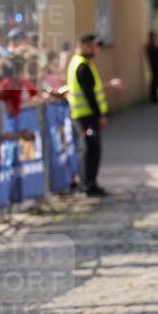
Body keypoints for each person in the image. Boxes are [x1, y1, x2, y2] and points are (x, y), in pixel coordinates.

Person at [66, 32, 110, 197]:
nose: (96, 49)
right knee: (90, 149)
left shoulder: (82, 63)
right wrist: (100, 115)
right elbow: (89, 94)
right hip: (86, 116)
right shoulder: (82, 65)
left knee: (91, 149)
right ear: (82, 45)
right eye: (93, 45)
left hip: (86, 115)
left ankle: (90, 183)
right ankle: (87, 184)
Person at [145, 31, 158, 104]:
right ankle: (153, 97)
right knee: (155, 82)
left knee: (156, 81)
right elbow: (153, 55)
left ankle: (155, 97)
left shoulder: (153, 46)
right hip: (154, 66)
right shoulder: (150, 46)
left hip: (156, 66)